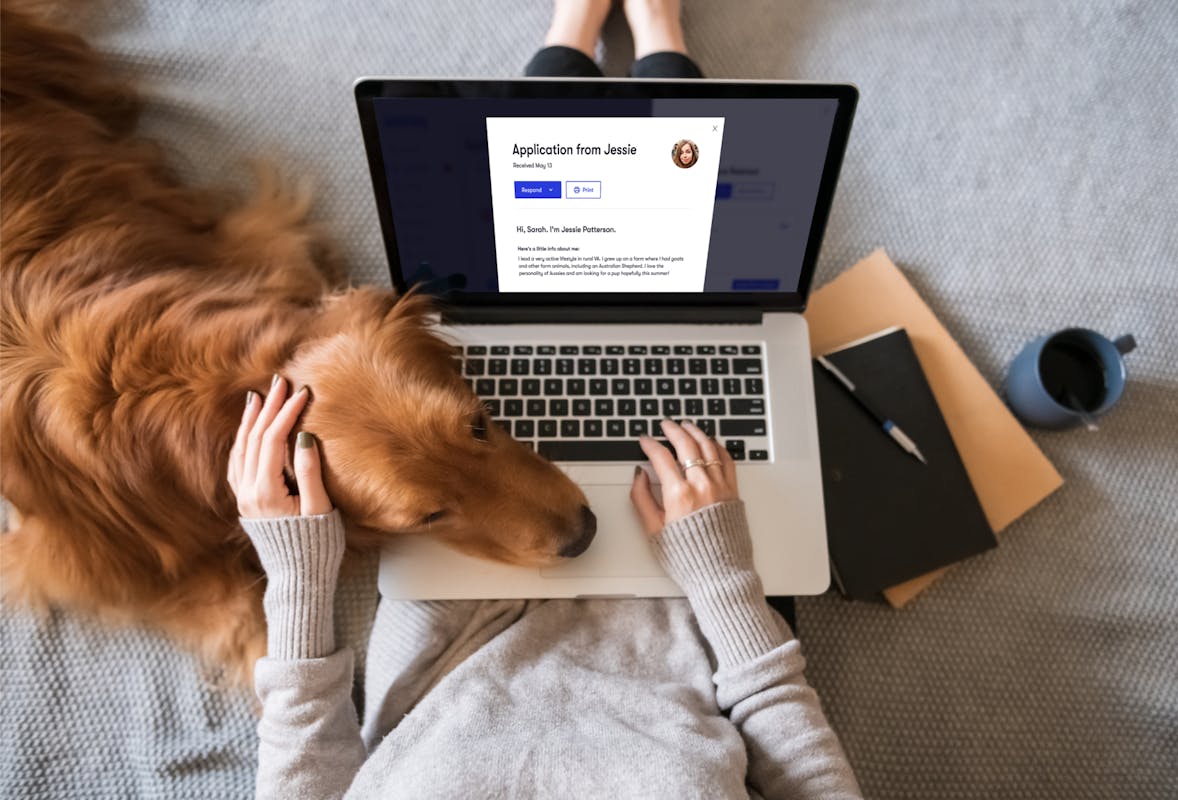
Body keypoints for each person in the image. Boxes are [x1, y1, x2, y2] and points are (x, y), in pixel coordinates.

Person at [233, 3, 862, 797]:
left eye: (477, 429)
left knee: (522, 234)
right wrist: (722, 579)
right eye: (427, 510)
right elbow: (804, 766)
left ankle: (573, 31)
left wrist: (294, 579)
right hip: (695, 630)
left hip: (453, 644)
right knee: (666, 198)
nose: (569, 527)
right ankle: (658, 35)